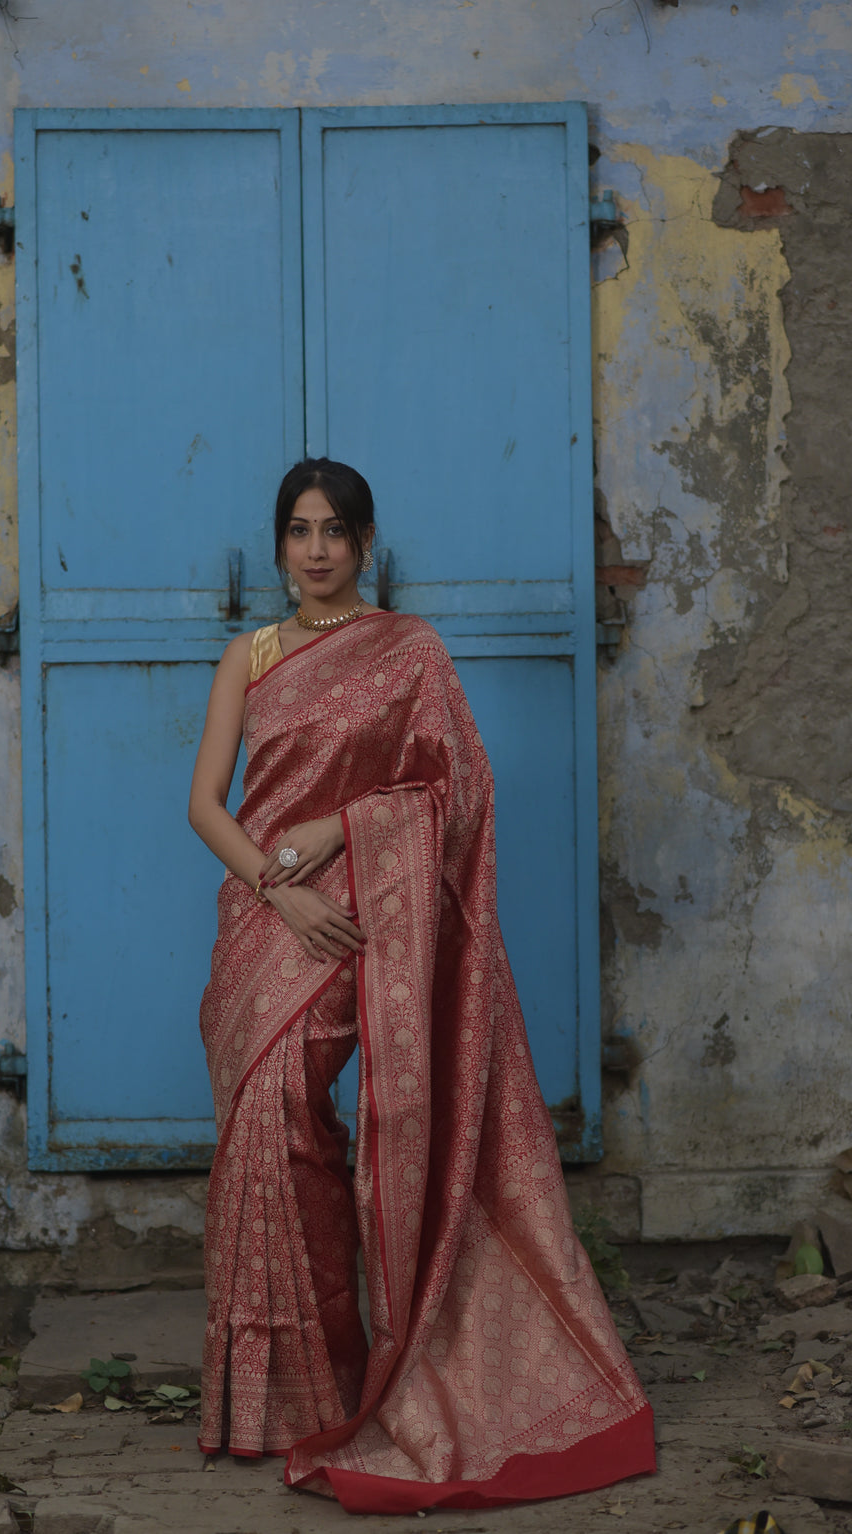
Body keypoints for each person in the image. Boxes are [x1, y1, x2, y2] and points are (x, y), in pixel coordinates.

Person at [187, 458, 655, 1513]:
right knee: (268, 1118)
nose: (315, 550)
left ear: (364, 544)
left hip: (365, 913)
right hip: (267, 917)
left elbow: (460, 790)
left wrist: (337, 831)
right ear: (277, 545)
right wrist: (276, 883)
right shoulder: (245, 658)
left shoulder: (409, 652)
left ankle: (372, 1371)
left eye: (335, 531)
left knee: (360, 1118)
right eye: (299, 531)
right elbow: (206, 805)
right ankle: (281, 1394)